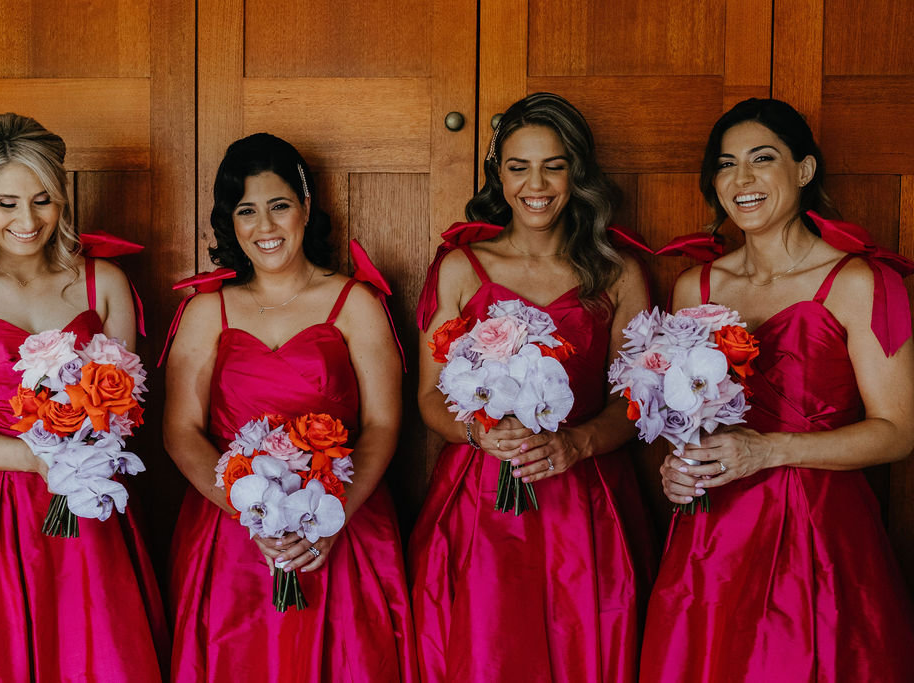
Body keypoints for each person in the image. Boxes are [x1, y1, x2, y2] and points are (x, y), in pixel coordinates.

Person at [640, 98, 914, 682]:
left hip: (821, 533)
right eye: (725, 164)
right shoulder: (696, 286)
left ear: (805, 170)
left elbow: (898, 432)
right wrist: (677, 468)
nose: (742, 179)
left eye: (762, 159)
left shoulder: (859, 282)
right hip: (714, 535)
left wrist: (769, 451)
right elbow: (688, 421)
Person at [0, 113, 167, 681]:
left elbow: (126, 409)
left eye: (43, 200)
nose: (26, 219)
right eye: (7, 202)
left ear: (63, 197)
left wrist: (83, 446)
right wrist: (38, 458)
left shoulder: (103, 282)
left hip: (89, 513)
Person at [408, 92, 656, 683]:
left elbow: (639, 400)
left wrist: (579, 443)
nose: (535, 184)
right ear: (498, 175)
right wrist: (478, 432)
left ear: (578, 173)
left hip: (587, 498)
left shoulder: (618, 272)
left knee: (586, 651)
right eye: (518, 167)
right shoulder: (461, 267)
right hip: (481, 502)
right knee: (486, 651)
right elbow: (428, 399)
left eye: (554, 165)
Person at [162, 133, 418, 682]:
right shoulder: (208, 310)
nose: (265, 226)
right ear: (229, 223)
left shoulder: (357, 303)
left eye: (279, 206)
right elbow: (181, 431)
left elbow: (382, 424)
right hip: (233, 539)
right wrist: (252, 517)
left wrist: (329, 519)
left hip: (343, 528)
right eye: (246, 211)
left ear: (305, 207)